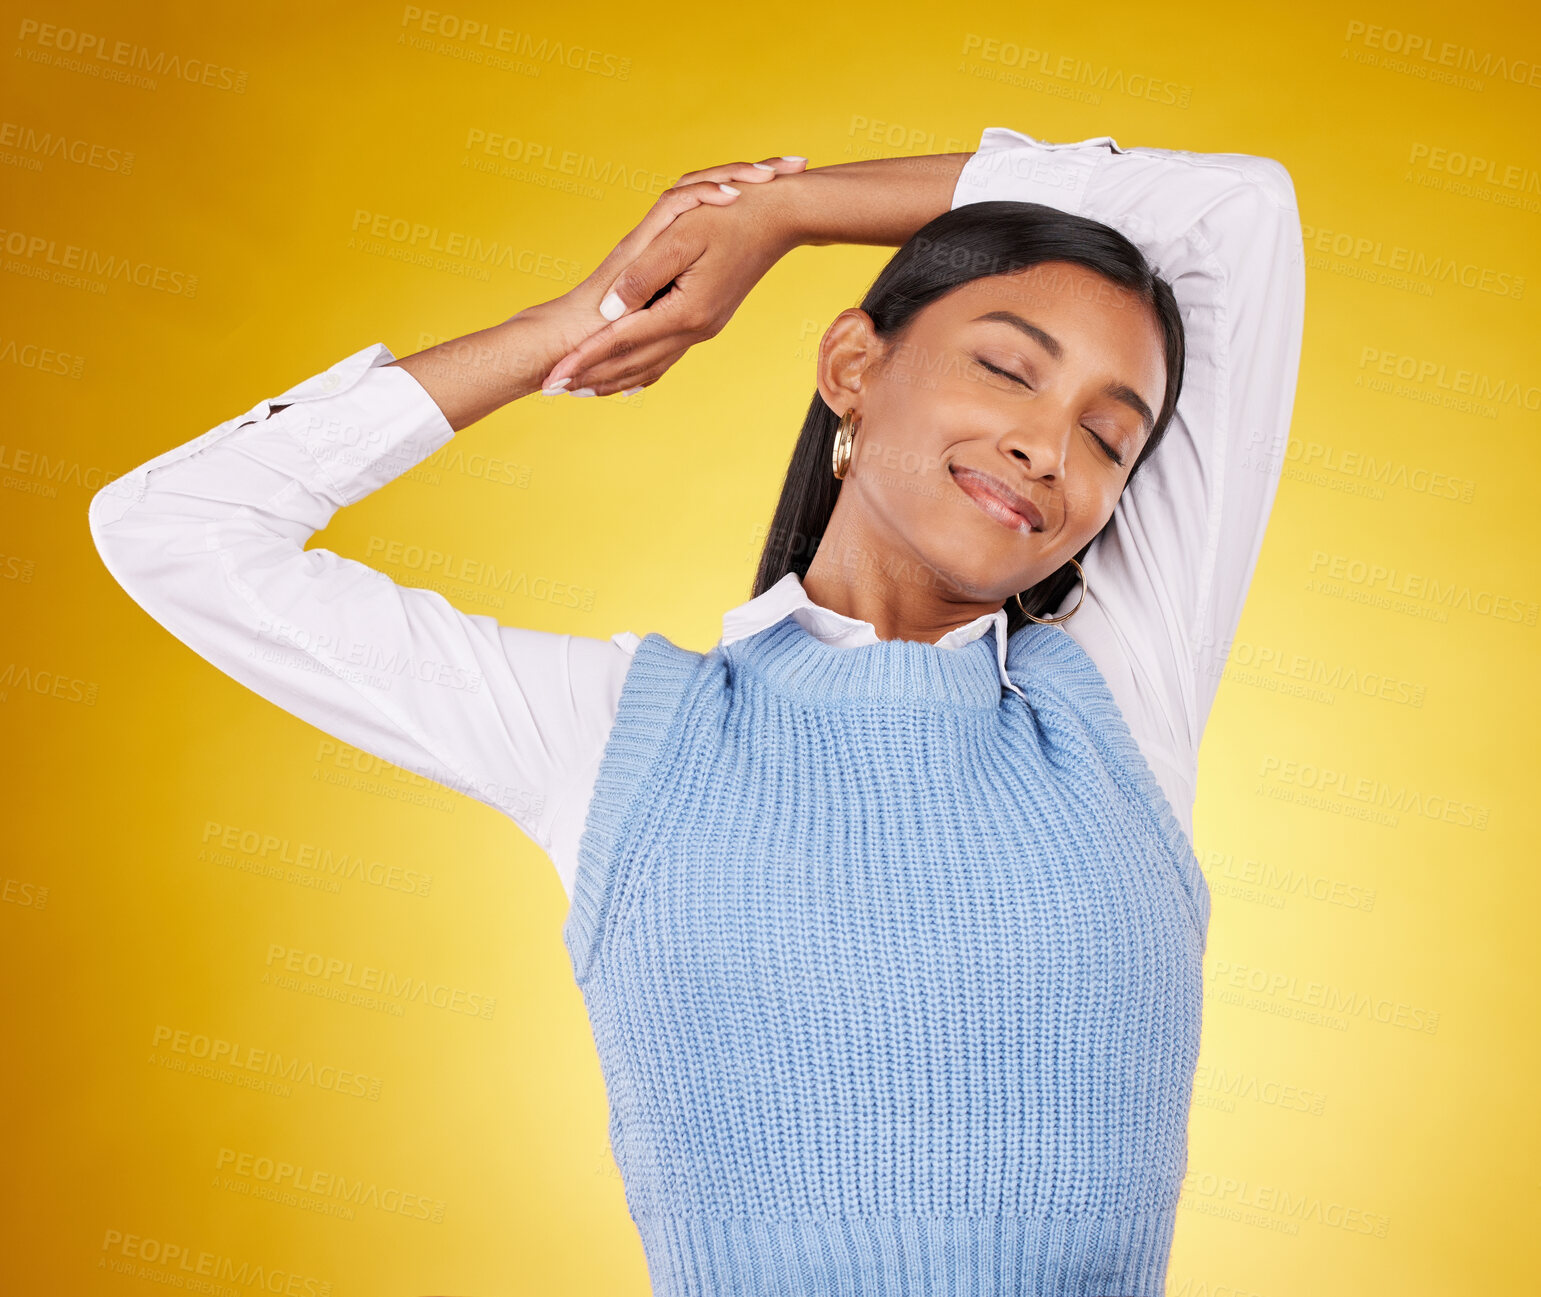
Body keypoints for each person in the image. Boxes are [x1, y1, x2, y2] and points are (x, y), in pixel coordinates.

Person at [88, 126, 1306, 1296]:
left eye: (1106, 436)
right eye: (1003, 367)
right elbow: (176, 527)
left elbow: (1231, 214)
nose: (1048, 445)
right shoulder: (620, 735)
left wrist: (785, 210)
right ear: (852, 367)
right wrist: (572, 326)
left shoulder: (1112, 701)